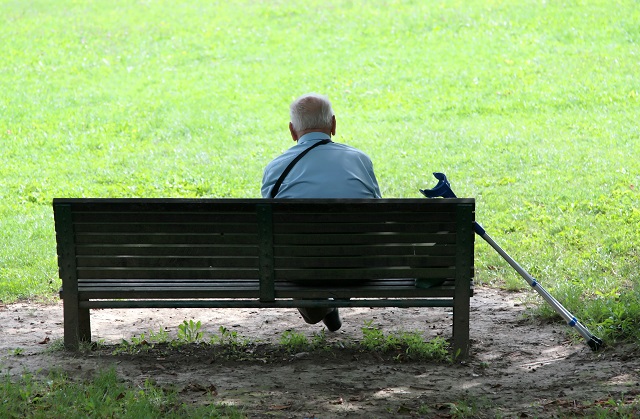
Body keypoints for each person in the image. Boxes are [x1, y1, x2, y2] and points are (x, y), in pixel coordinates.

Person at [261, 93, 381, 332]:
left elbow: (270, 226)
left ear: (292, 131)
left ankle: (321, 308)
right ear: (333, 125)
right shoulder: (360, 160)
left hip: (301, 270)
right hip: (358, 267)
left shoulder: (276, 167)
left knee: (296, 251)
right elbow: (377, 214)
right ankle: (326, 308)